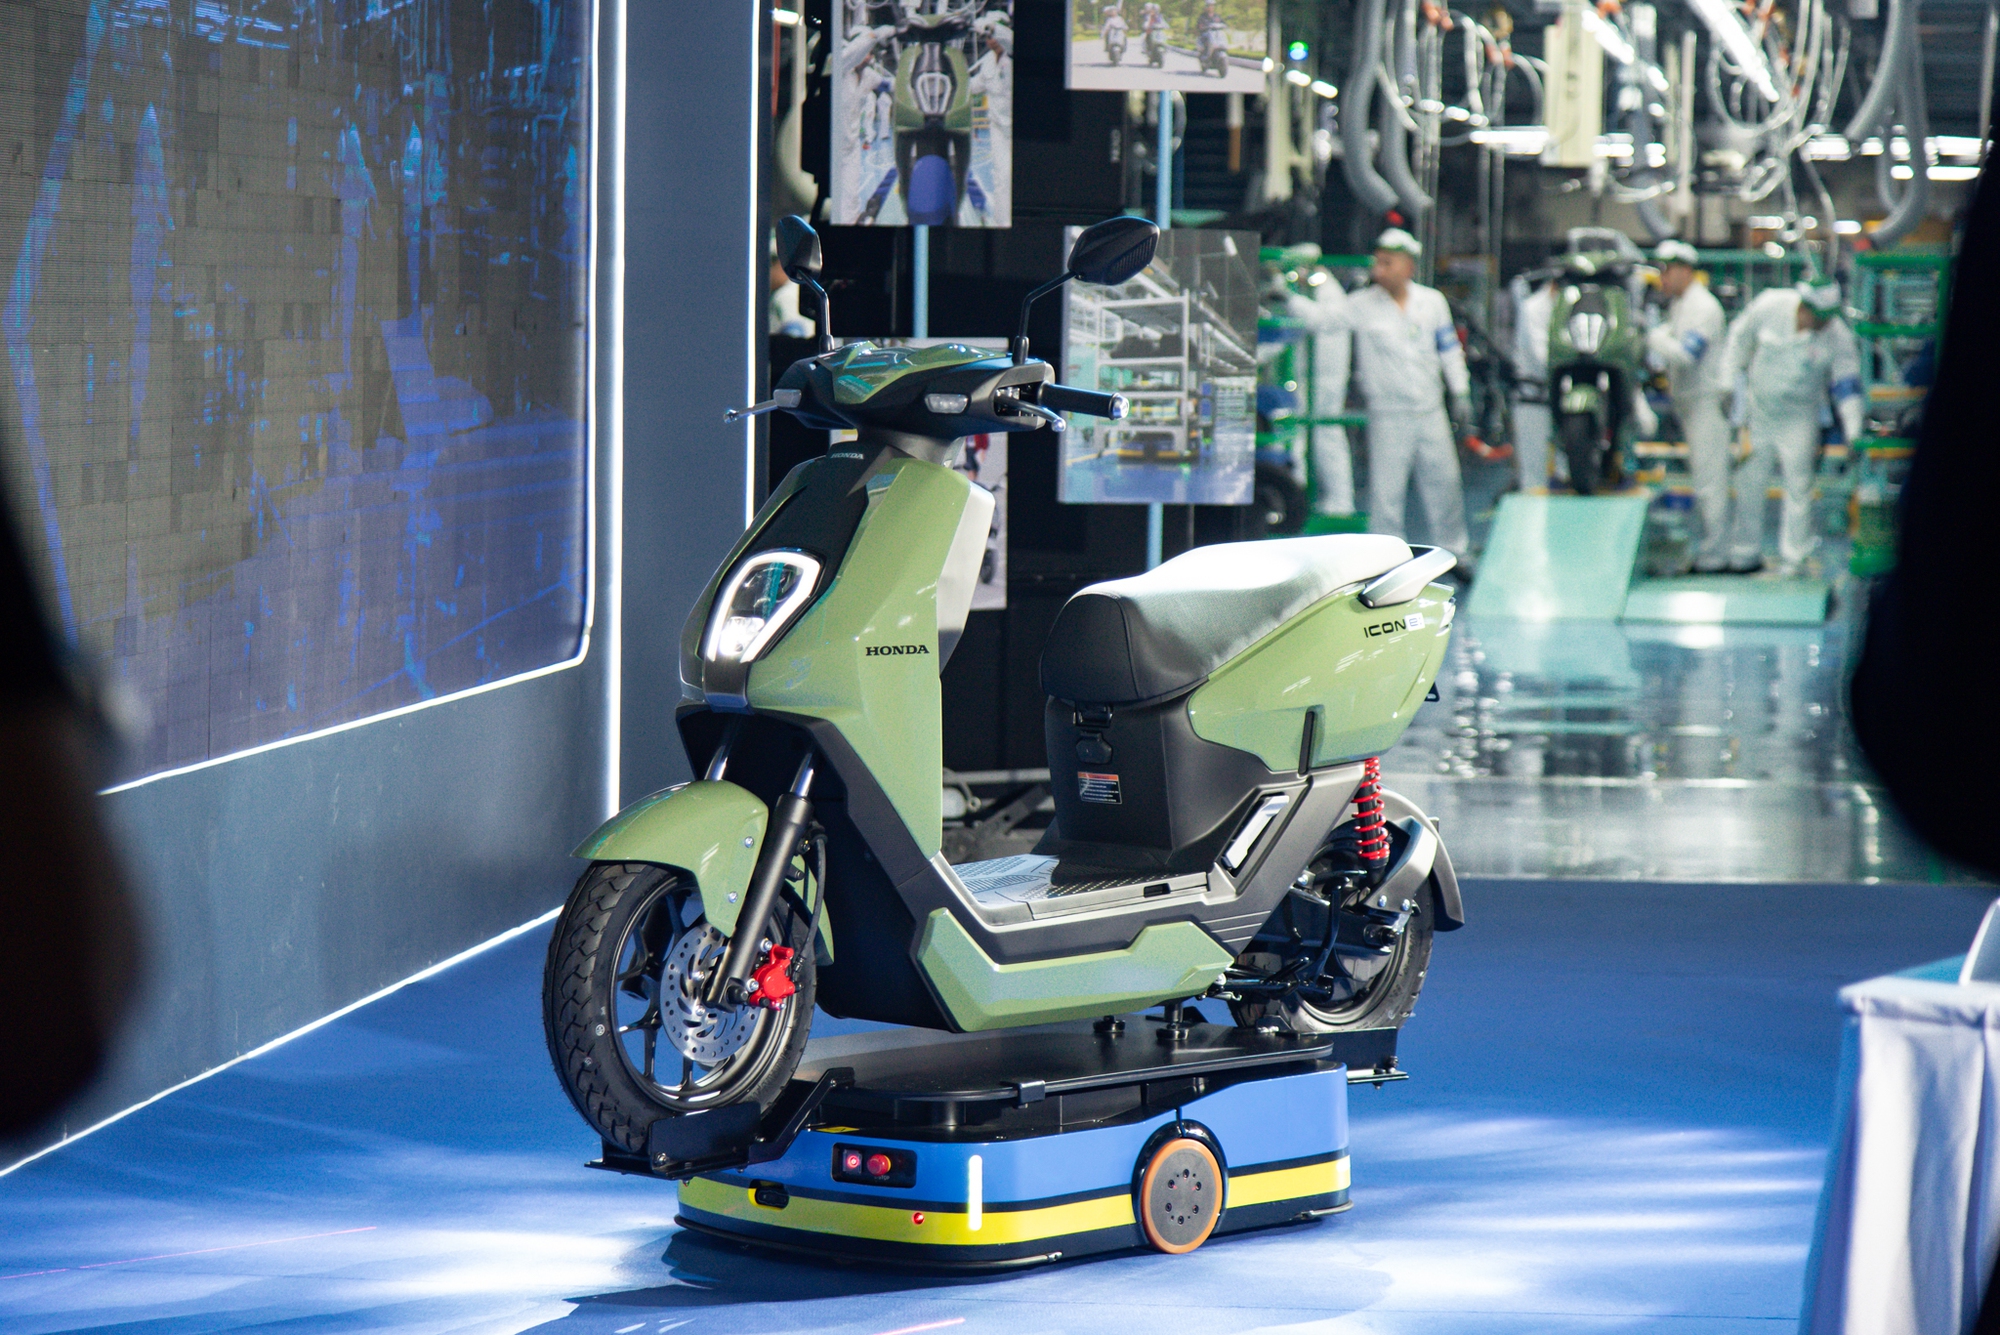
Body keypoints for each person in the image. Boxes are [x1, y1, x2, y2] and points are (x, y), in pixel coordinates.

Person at [1333, 227, 1474, 572]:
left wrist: (1460, 390)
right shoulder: (1361, 305)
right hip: (1388, 414)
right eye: (1377, 262)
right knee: (1387, 493)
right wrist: (1289, 296)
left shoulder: (1432, 302)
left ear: (1408, 266)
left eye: (1387, 263)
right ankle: (1386, 562)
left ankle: (1454, 551)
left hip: (1430, 410)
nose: (1378, 270)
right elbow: (1322, 321)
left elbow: (1449, 349)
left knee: (1445, 484)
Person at [1720, 277, 1863, 575]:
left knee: (1799, 487)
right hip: (1758, 413)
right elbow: (1739, 338)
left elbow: (1847, 384)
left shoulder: (1837, 336)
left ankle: (1794, 558)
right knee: (1749, 482)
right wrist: (1727, 382)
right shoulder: (1769, 305)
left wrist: (1853, 431)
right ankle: (1744, 553)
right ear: (1804, 307)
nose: (1824, 325)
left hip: (1800, 418)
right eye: (1819, 318)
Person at [1645, 240, 1733, 570]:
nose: (1662, 279)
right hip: (1690, 404)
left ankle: (1715, 556)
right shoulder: (1681, 305)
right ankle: (1709, 551)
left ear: (1685, 270)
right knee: (1703, 480)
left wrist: (1655, 338)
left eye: (1667, 271)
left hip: (1706, 404)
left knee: (1711, 482)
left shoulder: (1703, 307)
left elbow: (1685, 356)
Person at [1510, 272, 1555, 491]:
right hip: (1533, 399)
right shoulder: (1533, 308)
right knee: (1534, 475)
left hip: (1563, 398)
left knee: (1569, 472)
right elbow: (1542, 358)